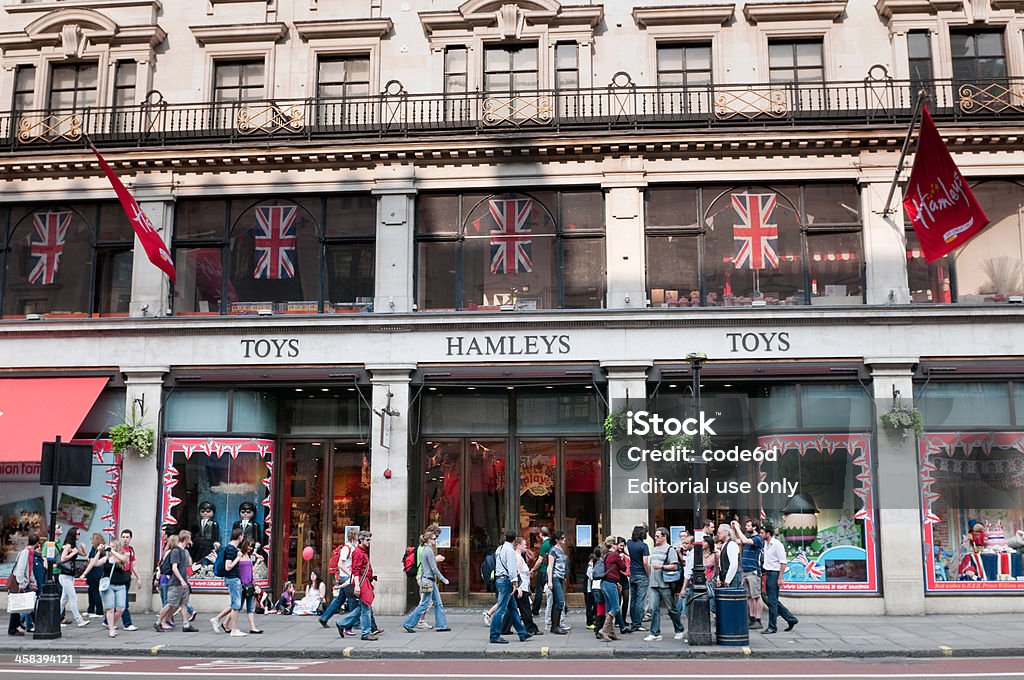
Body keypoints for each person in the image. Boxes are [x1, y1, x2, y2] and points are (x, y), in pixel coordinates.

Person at [489, 530, 532, 644]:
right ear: (514, 539)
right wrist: (515, 583)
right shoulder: (510, 551)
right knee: (501, 610)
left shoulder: (500, 549)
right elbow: (512, 568)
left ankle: (522, 633)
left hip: (500, 579)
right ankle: (494, 635)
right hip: (506, 581)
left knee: (512, 609)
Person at [403, 530, 450, 633]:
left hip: (429, 580)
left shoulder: (426, 549)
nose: (435, 540)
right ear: (429, 540)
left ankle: (441, 625)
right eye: (434, 539)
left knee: (438, 603)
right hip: (428, 580)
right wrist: (443, 579)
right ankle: (408, 624)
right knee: (424, 604)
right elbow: (433, 568)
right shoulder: (428, 550)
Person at [334, 531, 376, 640]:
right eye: (367, 540)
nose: (369, 542)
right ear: (361, 540)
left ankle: (342, 623)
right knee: (366, 607)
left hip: (364, 582)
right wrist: (357, 586)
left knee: (362, 608)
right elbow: (355, 571)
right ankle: (366, 633)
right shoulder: (358, 552)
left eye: (369, 540)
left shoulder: (362, 551)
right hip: (362, 583)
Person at [646, 527, 685, 642]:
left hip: (665, 584)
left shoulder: (670, 549)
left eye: (658, 536)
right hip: (653, 584)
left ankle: (679, 629)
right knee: (654, 609)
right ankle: (655, 632)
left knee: (671, 609)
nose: (655, 538)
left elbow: (674, 566)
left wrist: (661, 567)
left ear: (664, 537)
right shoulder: (654, 549)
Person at [155, 530, 198, 632]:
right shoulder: (176, 551)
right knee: (170, 604)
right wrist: (182, 581)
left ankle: (186, 624)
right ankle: (158, 622)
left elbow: (186, 567)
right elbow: (174, 568)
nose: (191, 540)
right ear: (186, 539)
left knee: (184, 603)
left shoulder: (184, 551)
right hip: (175, 583)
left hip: (183, 582)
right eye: (189, 538)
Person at [760, 524, 798, 634]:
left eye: (762, 533)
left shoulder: (777, 545)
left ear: (768, 534)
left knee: (772, 601)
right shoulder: (766, 544)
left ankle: (772, 627)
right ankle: (791, 619)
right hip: (768, 572)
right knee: (773, 600)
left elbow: (783, 562)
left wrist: (780, 577)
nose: (760, 534)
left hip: (774, 574)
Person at [210, 527, 245, 636]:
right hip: (232, 578)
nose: (243, 538)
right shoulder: (231, 549)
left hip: (232, 579)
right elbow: (228, 566)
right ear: (239, 537)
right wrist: (238, 558)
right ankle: (234, 629)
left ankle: (217, 619)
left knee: (234, 604)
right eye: (242, 536)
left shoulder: (231, 548)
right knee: (236, 605)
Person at [502, 539, 541, 636]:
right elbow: (517, 572)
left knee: (512, 608)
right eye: (524, 544)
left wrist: (527, 573)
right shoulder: (518, 557)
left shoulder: (516, 556)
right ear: (518, 545)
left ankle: (504, 628)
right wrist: (518, 587)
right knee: (525, 608)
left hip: (519, 586)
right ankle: (531, 628)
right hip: (521, 587)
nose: (526, 546)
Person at [56, 527, 89, 628]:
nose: (79, 536)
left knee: (64, 600)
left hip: (69, 575)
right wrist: (73, 553)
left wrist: (83, 548)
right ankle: (79, 620)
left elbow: (83, 554)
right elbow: (62, 558)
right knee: (73, 597)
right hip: (64, 575)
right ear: (73, 534)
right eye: (78, 534)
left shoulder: (73, 545)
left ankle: (54, 619)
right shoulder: (68, 545)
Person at [319, 536, 354, 628]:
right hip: (346, 577)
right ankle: (355, 622)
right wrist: (350, 574)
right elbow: (340, 564)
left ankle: (324, 618)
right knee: (352, 600)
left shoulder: (350, 548)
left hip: (345, 576)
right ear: (353, 539)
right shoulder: (347, 548)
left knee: (340, 599)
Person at [736, 518, 764, 629]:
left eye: (748, 525)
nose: (746, 527)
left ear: (754, 527)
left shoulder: (757, 539)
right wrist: (734, 529)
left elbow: (744, 540)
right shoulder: (748, 538)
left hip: (753, 571)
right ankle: (752, 618)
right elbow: (737, 540)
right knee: (749, 597)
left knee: (756, 596)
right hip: (746, 571)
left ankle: (758, 619)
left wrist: (738, 528)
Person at [7, 534, 37, 637]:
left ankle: (18, 626)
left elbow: (30, 569)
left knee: (24, 604)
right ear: (37, 544)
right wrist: (21, 583)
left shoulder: (29, 553)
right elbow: (20, 569)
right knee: (18, 605)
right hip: (20, 582)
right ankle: (13, 629)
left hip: (24, 582)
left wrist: (32, 581)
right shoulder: (25, 553)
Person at [112, 530, 142, 632]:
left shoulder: (131, 550)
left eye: (127, 537)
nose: (125, 539)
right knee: (123, 603)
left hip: (127, 577)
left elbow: (133, 565)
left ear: (130, 538)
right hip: (118, 577)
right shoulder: (118, 549)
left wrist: (139, 578)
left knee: (120, 603)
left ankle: (108, 622)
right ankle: (127, 623)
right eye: (123, 537)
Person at [597, 536, 625, 642]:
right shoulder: (615, 555)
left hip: (604, 583)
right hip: (610, 584)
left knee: (608, 608)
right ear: (614, 545)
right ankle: (604, 630)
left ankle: (611, 632)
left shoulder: (606, 555)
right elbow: (623, 567)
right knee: (615, 608)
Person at [625, 525, 650, 632]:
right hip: (641, 574)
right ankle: (637, 623)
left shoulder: (629, 543)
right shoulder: (644, 546)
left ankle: (633, 621)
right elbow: (645, 562)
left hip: (633, 573)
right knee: (640, 600)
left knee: (634, 599)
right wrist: (648, 573)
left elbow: (627, 553)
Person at [236, 538, 263, 633]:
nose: (250, 548)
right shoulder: (239, 554)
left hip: (249, 584)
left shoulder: (249, 556)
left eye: (251, 546)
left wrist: (258, 562)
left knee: (249, 608)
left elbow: (251, 571)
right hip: (242, 585)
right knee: (237, 607)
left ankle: (253, 627)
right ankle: (227, 624)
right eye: (249, 545)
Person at [546, 530, 569, 635]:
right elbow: (550, 567)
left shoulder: (561, 549)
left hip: (559, 577)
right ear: (557, 540)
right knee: (559, 602)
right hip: (555, 577)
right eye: (562, 538)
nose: (564, 539)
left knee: (557, 602)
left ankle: (555, 626)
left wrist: (563, 576)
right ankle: (555, 626)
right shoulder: (553, 551)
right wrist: (549, 581)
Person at [529, 526, 551, 619]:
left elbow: (539, 560)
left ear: (540, 534)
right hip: (550, 569)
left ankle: (535, 610)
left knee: (539, 591)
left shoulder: (544, 545)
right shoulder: (552, 543)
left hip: (543, 570)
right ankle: (563, 608)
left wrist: (533, 569)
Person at [84, 533, 106, 618]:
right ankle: (91, 609)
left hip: (94, 572)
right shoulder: (100, 550)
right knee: (91, 591)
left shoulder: (95, 549)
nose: (91, 540)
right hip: (98, 572)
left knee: (95, 591)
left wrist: (84, 573)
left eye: (92, 538)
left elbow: (92, 562)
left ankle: (99, 611)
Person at [717, 523, 742, 589]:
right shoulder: (724, 545)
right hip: (726, 577)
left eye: (719, 533)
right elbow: (721, 564)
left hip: (733, 578)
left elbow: (734, 564)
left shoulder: (732, 544)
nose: (717, 534)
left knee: (733, 598)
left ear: (726, 533)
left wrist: (728, 580)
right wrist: (719, 578)